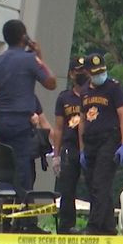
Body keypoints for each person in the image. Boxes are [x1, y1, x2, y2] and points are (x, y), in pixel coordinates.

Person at [0, 20, 57, 196]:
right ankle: (23, 215)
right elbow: (51, 83)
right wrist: (40, 57)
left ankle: (5, 207)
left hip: (1, 123)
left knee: (5, 165)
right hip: (21, 123)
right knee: (22, 168)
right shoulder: (30, 60)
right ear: (24, 37)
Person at [78, 53, 123, 235]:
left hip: (109, 140)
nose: (100, 75)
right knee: (95, 185)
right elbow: (82, 120)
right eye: (95, 72)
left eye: (101, 71)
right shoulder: (84, 91)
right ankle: (108, 227)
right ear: (87, 72)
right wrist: (82, 149)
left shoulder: (113, 88)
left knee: (101, 183)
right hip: (90, 142)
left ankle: (93, 226)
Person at [51, 57, 87, 234]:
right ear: (72, 74)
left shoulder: (93, 95)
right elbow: (58, 128)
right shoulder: (64, 98)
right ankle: (67, 226)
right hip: (69, 146)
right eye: (78, 71)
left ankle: (95, 224)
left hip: (90, 146)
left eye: (84, 70)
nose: (82, 74)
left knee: (94, 186)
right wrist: (56, 155)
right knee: (67, 187)